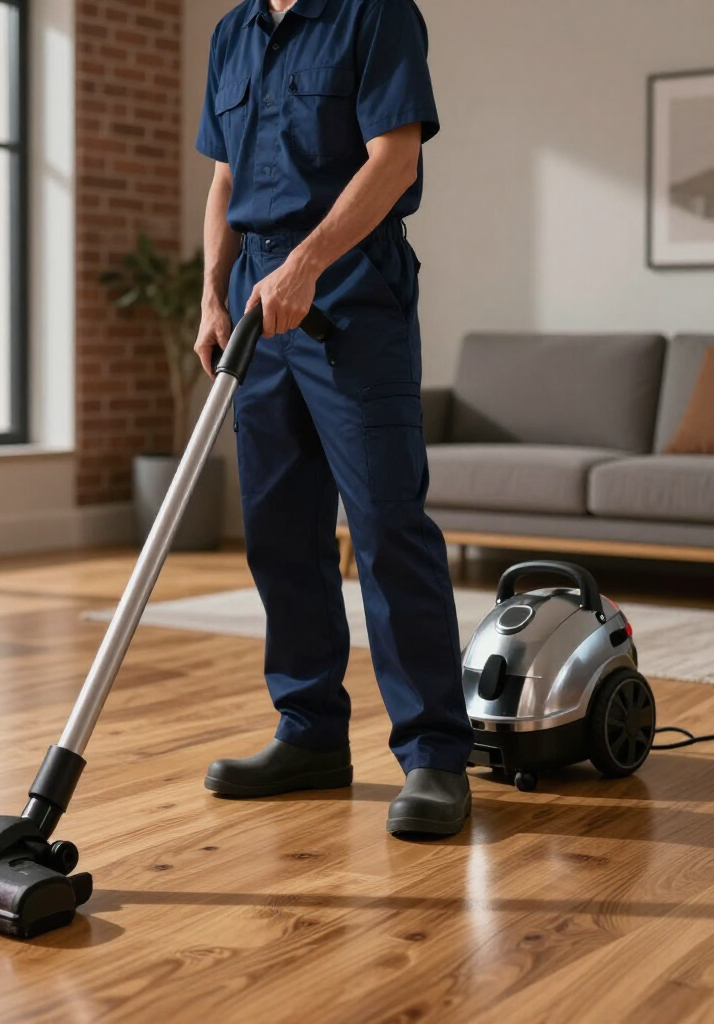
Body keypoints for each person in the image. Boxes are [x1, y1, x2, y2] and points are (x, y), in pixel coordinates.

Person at [193, 0, 474, 835]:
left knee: (387, 524)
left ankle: (432, 756)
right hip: (256, 299)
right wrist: (211, 294)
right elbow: (224, 180)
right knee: (278, 527)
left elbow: (394, 158)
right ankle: (310, 733)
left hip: (352, 291)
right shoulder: (232, 33)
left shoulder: (374, 13)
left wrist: (308, 263)